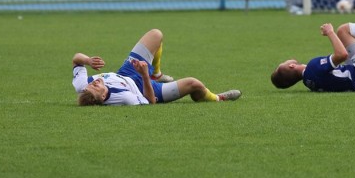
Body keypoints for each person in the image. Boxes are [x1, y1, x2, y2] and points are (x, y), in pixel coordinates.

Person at [72, 29, 241, 106]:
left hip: (127, 71)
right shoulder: (125, 98)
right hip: (148, 88)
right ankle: (218, 98)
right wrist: (145, 76)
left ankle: (157, 73)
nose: (94, 82)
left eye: (90, 84)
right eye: (96, 86)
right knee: (194, 84)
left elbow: (76, 59)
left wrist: (88, 60)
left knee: (156, 35)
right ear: (102, 97)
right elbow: (151, 102)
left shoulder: (83, 87)